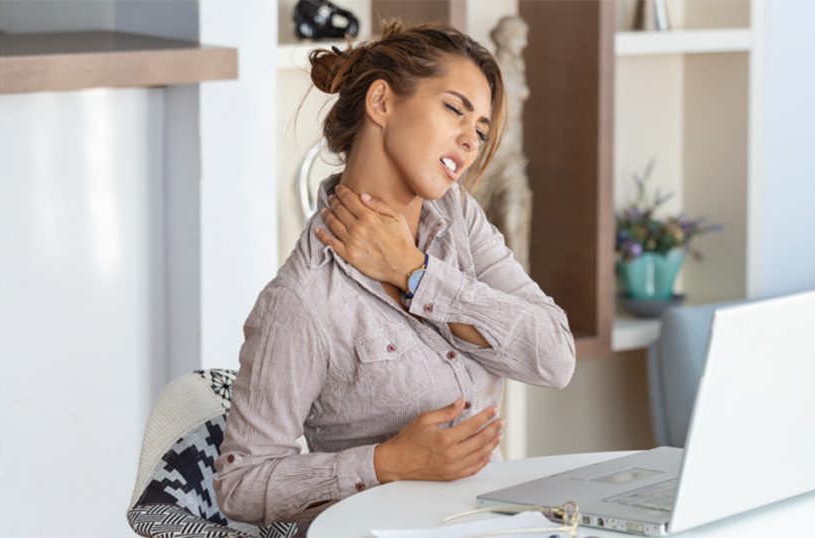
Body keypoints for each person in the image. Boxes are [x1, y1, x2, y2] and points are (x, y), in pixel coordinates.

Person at [212, 20, 576, 536]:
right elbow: (240, 485)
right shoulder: (303, 298)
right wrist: (386, 463)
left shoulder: (459, 221)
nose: (469, 142)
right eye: (454, 109)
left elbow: (555, 358)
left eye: (479, 131)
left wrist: (416, 274)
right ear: (381, 102)